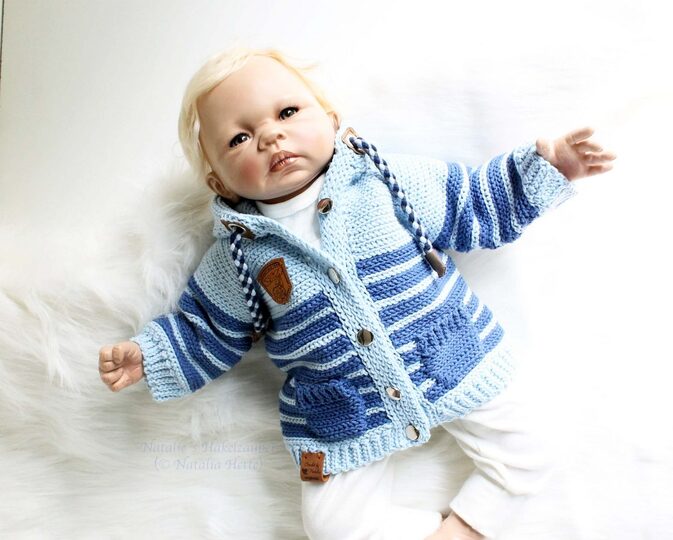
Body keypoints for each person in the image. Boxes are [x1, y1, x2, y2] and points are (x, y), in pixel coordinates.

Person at [98, 47, 615, 539]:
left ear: (330, 118)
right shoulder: (238, 255)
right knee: (330, 528)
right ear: (218, 182)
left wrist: (549, 167)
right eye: (239, 138)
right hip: (343, 410)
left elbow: (472, 203)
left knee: (536, 445)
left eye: (287, 112)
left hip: (450, 356)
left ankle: (467, 528)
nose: (271, 137)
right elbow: (208, 328)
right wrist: (151, 354)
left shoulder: (388, 182)